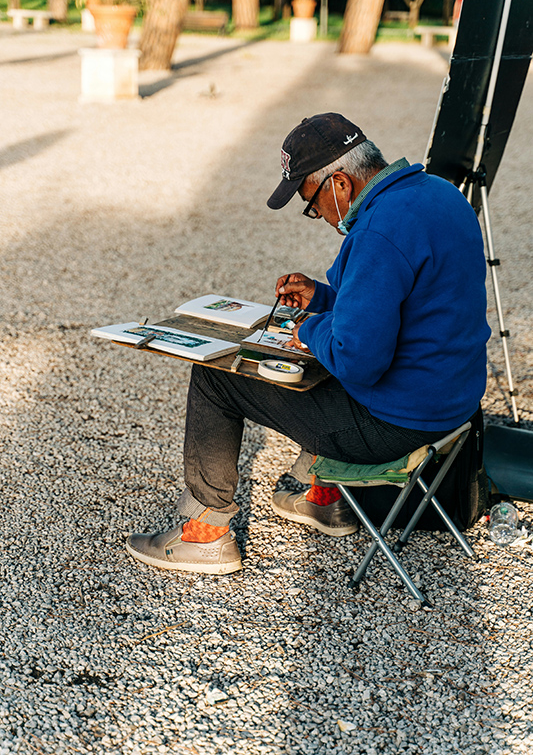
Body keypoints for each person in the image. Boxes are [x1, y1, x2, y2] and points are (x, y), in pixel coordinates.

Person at [126, 112, 491, 575]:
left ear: (339, 183)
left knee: (217, 379)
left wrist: (308, 328)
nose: (317, 215)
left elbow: (358, 361)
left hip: (399, 423)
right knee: (311, 363)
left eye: (312, 203)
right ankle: (320, 497)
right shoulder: (438, 194)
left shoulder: (378, 232)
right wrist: (322, 298)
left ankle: (204, 532)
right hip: (453, 407)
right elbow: (404, 302)